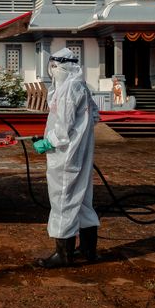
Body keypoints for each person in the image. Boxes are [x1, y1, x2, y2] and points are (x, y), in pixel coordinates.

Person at [31, 47, 101, 267]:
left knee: (63, 201)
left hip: (66, 156)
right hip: (78, 153)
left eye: (53, 67)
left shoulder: (69, 89)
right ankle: (88, 250)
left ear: (60, 66)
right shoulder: (78, 86)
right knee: (82, 201)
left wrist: (48, 142)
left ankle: (63, 255)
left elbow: (63, 129)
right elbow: (96, 116)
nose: (52, 71)